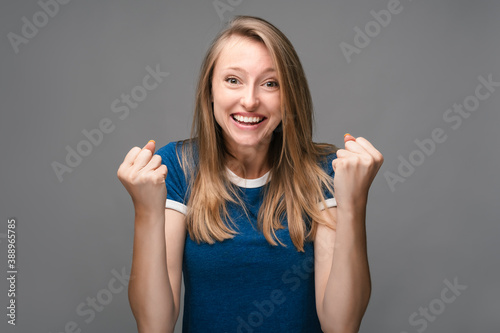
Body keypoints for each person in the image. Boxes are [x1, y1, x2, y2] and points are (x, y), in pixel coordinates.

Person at [117, 15, 383, 333]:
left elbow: (341, 325)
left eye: (270, 83)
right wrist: (146, 211)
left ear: (289, 97)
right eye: (233, 80)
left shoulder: (325, 170)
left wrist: (354, 205)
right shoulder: (177, 167)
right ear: (210, 91)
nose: (250, 100)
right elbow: (154, 326)